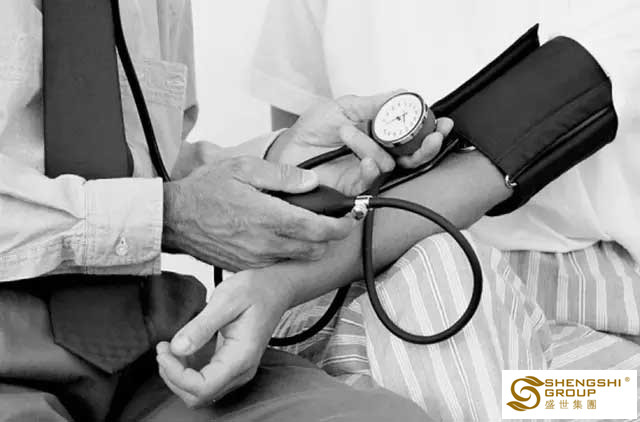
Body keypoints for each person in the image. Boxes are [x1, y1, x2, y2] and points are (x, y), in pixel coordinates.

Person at [0, 1, 443, 421]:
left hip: (155, 342)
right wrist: (170, 215)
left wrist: (282, 165)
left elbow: (141, 163)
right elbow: (161, 204)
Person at [228, 0, 639, 420]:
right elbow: (301, 157)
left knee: (600, 397)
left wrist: (281, 283)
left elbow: (492, 162)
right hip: (369, 295)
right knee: (440, 298)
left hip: (584, 312)